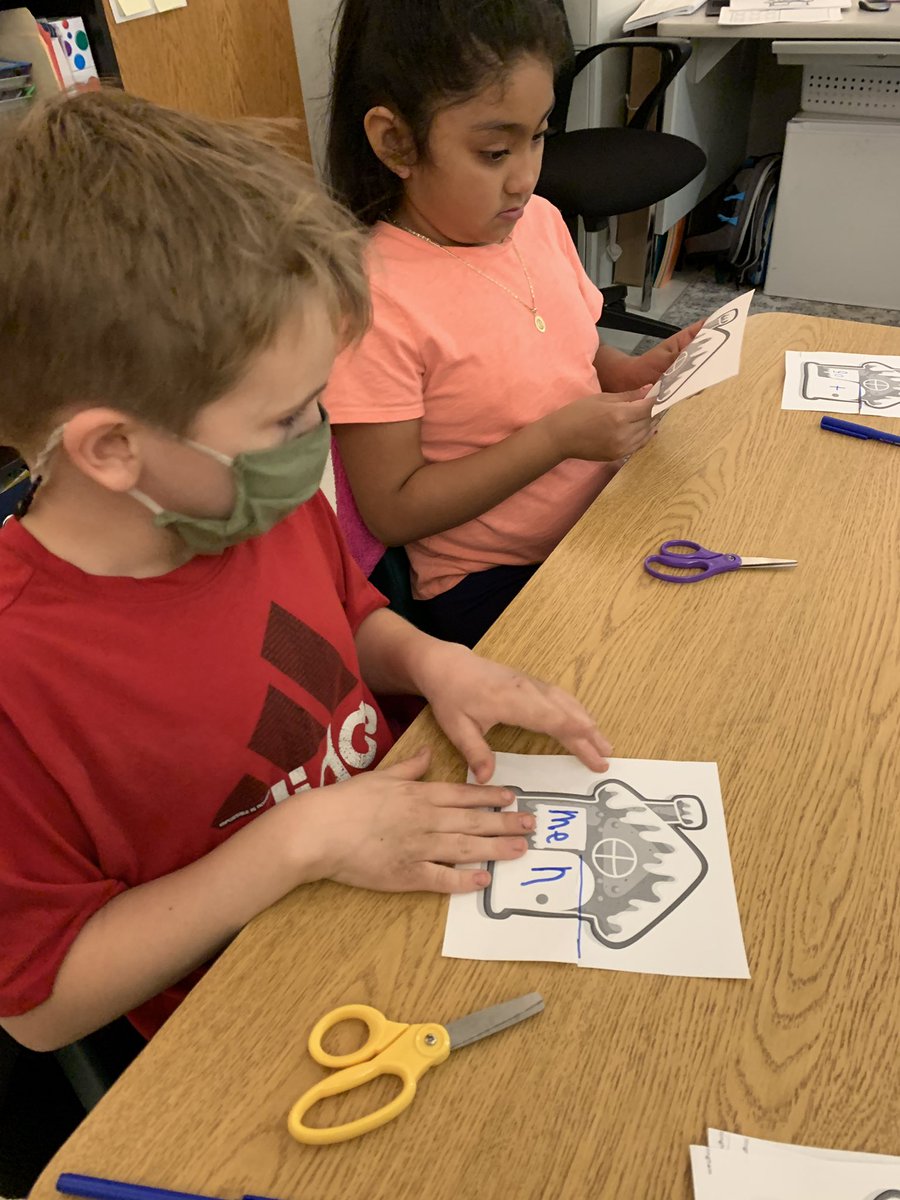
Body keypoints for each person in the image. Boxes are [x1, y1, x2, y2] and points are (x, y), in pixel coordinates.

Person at [0, 90, 615, 1052]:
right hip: (257, 1019)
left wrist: (429, 661)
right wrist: (302, 840)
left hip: (400, 889)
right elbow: (41, 1005)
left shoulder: (239, 500)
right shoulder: (23, 673)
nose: (316, 443)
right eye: (286, 419)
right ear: (113, 449)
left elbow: (349, 612)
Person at [323, 0, 701, 648]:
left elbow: (576, 354)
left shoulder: (540, 222)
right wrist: (555, 440)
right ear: (395, 142)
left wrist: (638, 373)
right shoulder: (373, 298)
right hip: (493, 581)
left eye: (540, 136)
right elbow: (392, 509)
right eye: (495, 151)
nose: (526, 176)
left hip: (599, 514)